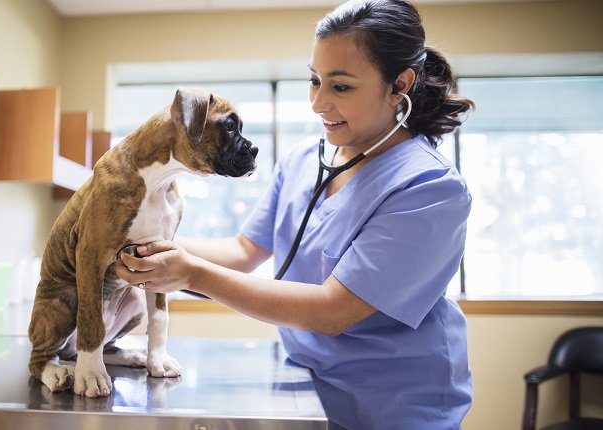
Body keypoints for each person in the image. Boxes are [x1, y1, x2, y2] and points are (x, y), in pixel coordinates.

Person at [116, 0, 475, 428]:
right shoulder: (305, 158)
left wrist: (190, 274)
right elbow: (245, 249)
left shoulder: (429, 188)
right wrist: (136, 241)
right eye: (314, 80)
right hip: (304, 389)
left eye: (340, 87)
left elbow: (332, 310)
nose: (318, 103)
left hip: (392, 406)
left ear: (400, 84)